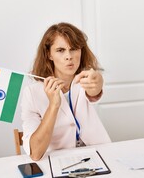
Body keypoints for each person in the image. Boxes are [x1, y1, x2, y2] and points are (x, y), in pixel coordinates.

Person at [21, 22, 111, 161]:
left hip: (97, 155)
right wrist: (53, 105)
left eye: (74, 48)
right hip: (59, 161)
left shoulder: (86, 79)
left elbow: (94, 92)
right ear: (49, 54)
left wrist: (97, 83)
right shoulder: (32, 94)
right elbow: (36, 153)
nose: (69, 56)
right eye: (61, 50)